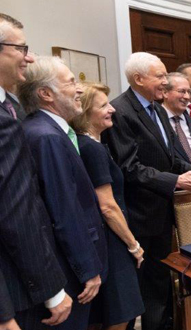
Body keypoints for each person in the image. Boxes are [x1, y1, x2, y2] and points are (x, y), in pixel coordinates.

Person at [102, 52, 191, 330]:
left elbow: (168, 157)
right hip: (138, 217)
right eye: (161, 76)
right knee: (135, 292)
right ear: (138, 79)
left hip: (162, 214)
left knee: (159, 284)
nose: (166, 82)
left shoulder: (157, 109)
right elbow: (130, 168)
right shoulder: (122, 112)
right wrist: (176, 182)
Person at [19, 56, 108, 329]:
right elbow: (65, 210)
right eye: (71, 82)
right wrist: (88, 269)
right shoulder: (47, 137)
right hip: (70, 272)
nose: (79, 89)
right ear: (46, 94)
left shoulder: (45, 131)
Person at [0, 13, 73, 330]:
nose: (29, 57)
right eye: (21, 48)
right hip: (17, 288)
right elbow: (16, 210)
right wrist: (52, 290)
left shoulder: (10, 107)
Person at [70, 82, 146, 329]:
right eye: (103, 105)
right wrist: (133, 245)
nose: (112, 109)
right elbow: (108, 207)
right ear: (84, 112)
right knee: (120, 314)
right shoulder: (92, 149)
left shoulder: (90, 144)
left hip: (106, 240)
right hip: (113, 243)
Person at [161, 73, 191, 168]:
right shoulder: (156, 121)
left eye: (189, 92)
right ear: (165, 93)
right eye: (182, 91)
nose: (187, 97)